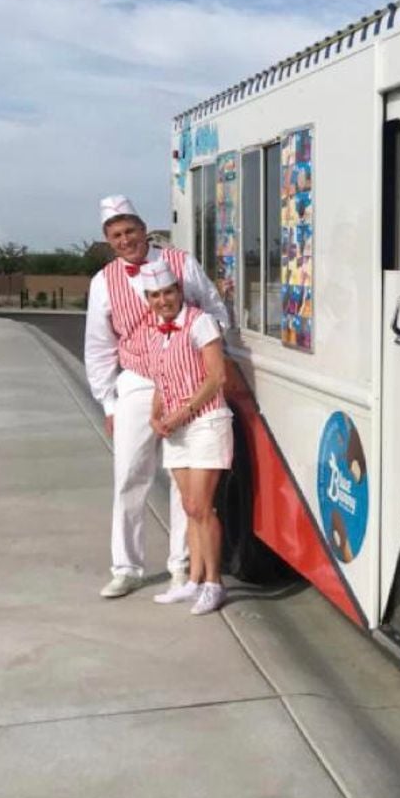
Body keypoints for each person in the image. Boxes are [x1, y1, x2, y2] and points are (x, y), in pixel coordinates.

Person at [84, 195, 230, 599]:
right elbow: (98, 346)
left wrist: (200, 343)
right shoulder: (103, 282)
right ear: (109, 240)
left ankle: (181, 566)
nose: (125, 240)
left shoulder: (181, 263)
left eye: (130, 231)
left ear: (144, 229)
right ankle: (126, 567)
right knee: (130, 473)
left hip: (187, 383)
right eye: (116, 235)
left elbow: (216, 310)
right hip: (137, 381)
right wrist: (108, 403)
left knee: (184, 477)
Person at [140, 261, 233, 614]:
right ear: (148, 299)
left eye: (168, 292)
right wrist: (156, 415)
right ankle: (193, 580)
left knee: (202, 507)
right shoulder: (154, 333)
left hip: (206, 422)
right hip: (176, 429)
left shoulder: (200, 322)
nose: (162, 300)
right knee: (189, 506)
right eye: (155, 295)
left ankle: (214, 583)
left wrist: (183, 411)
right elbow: (161, 382)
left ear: (179, 291)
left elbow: (217, 377)